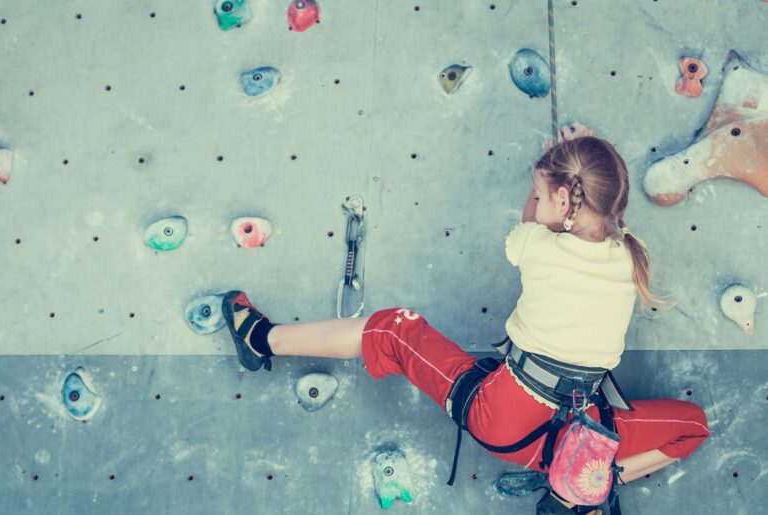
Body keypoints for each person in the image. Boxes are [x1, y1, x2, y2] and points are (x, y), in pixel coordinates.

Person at [220, 124, 710, 514]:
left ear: (562, 203)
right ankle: (583, 485)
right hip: (580, 436)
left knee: (395, 329)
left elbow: (531, 225)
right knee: (693, 427)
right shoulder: (632, 252)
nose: (535, 202)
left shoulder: (537, 246)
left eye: (541, 194)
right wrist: (576, 174)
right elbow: (596, 214)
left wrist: (552, 180)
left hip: (504, 419)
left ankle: (261, 339)